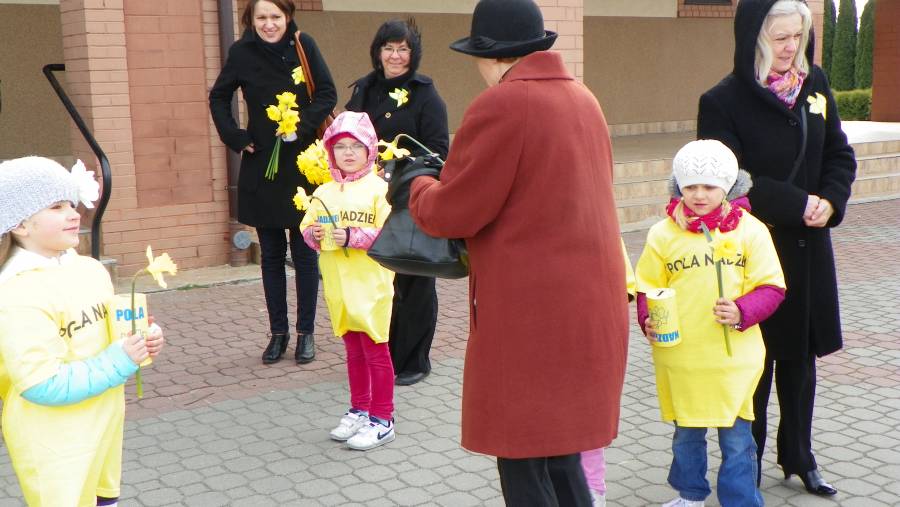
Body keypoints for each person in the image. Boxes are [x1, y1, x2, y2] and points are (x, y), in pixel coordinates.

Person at [406, 0, 630, 504]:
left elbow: (453, 212)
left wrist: (417, 184)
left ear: (492, 56)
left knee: (523, 456)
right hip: (588, 307)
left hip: (532, 316)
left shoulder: (504, 103)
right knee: (562, 452)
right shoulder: (583, 98)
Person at [697, 0, 856, 495]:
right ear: (754, 38)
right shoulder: (721, 101)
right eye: (780, 38)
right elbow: (726, 179)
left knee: (800, 363)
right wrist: (797, 203)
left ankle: (799, 457)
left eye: (797, 37)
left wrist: (831, 200)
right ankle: (747, 462)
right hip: (753, 253)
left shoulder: (815, 85)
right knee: (755, 366)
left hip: (808, 250)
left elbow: (839, 153)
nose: (791, 48)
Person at [0, 156, 166, 506]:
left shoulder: (90, 270)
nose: (73, 214)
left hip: (103, 428)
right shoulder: (16, 292)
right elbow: (40, 383)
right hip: (55, 444)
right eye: (56, 207)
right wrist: (120, 360)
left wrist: (141, 339)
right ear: (20, 224)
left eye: (72, 204)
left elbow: (110, 336)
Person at [635, 140, 786, 507]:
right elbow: (647, 286)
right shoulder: (662, 234)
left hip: (733, 361)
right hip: (682, 358)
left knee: (737, 439)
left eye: (709, 186)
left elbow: (772, 286)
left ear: (728, 186)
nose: (699, 195)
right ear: (678, 187)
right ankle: (690, 494)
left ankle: (740, 501)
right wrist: (647, 319)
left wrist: (742, 310)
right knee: (686, 435)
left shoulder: (750, 230)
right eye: (690, 186)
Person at [209, 0, 337, 365]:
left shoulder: (303, 44)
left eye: (275, 17)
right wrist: (236, 136)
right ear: (251, 20)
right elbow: (219, 96)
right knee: (271, 255)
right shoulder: (242, 52)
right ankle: (278, 333)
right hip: (262, 160)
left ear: (287, 16)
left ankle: (306, 333)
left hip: (302, 163)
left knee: (305, 253)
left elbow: (327, 93)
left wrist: (302, 125)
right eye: (262, 17)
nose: (269, 24)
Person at [345, 19, 449, 386]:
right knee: (377, 279)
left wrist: (397, 166)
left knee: (414, 278)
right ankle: (381, 356)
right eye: (388, 48)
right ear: (377, 52)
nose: (394, 56)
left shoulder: (425, 93)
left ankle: (414, 360)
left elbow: (438, 150)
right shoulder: (364, 89)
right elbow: (346, 135)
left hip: (409, 200)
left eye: (402, 49)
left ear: (413, 54)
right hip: (368, 200)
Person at [299, 111, 396, 451]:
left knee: (375, 349)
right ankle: (360, 409)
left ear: (370, 149)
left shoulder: (380, 190)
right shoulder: (324, 191)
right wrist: (313, 234)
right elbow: (307, 226)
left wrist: (354, 236)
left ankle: (383, 419)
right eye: (340, 147)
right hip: (338, 285)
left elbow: (390, 232)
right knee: (353, 349)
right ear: (330, 151)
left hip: (371, 284)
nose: (348, 153)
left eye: (356, 146)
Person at [581, 240, 637, 507]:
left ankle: (594, 490)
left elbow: (624, 287)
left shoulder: (601, 228)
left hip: (592, 336)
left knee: (590, 422)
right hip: (553, 341)